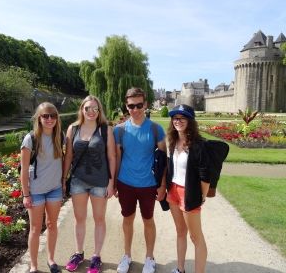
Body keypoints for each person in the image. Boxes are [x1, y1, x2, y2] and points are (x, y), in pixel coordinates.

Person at [113, 87, 167, 273]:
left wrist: (162, 185)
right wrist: (114, 184)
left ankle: (149, 258)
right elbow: (117, 158)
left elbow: (163, 160)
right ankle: (126, 255)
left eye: (138, 105)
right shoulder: (119, 130)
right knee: (127, 220)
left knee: (148, 220)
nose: (135, 109)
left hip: (148, 183)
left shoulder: (155, 129)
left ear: (145, 104)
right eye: (131, 106)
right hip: (125, 182)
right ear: (126, 106)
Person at [63, 95, 116, 273]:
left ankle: (96, 256)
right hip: (78, 180)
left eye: (95, 108)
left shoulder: (105, 130)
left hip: (100, 182)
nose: (91, 112)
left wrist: (111, 183)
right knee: (79, 219)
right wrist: (64, 178)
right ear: (82, 110)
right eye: (88, 108)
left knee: (99, 219)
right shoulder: (73, 129)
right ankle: (78, 253)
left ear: (99, 110)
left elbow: (111, 157)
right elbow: (69, 156)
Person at [166, 104, 210, 273]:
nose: (178, 121)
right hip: (173, 192)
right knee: (180, 232)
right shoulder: (172, 140)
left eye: (183, 117)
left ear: (190, 120)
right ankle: (180, 269)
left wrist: (202, 196)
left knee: (196, 237)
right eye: (175, 118)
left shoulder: (198, 144)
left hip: (189, 193)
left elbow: (205, 176)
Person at [20, 102, 63, 273]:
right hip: (36, 190)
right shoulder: (30, 139)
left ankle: (51, 259)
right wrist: (25, 194)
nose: (50, 119)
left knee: (52, 225)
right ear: (39, 118)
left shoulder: (58, 136)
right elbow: (23, 169)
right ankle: (34, 266)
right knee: (36, 229)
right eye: (46, 116)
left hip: (54, 189)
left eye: (53, 115)